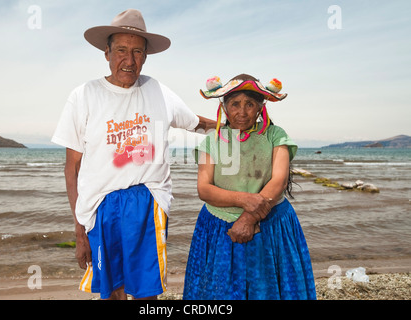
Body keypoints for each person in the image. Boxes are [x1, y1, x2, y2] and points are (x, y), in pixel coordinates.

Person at [51, 9, 215, 300]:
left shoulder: (157, 91)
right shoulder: (84, 96)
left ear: (146, 56)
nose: (129, 61)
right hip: (100, 205)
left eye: (137, 52)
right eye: (122, 51)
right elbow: (71, 169)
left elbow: (195, 122)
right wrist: (79, 231)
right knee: (113, 290)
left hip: (148, 201)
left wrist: (233, 127)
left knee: (146, 291)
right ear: (107, 53)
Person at [183, 74, 316, 300]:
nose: (242, 112)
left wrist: (248, 218)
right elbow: (204, 189)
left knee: (267, 287)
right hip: (219, 226)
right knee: (220, 292)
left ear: (260, 108)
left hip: (270, 225)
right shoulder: (211, 141)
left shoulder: (275, 135)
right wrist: (245, 200)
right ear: (224, 108)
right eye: (235, 104)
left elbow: (279, 181)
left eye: (250, 104)